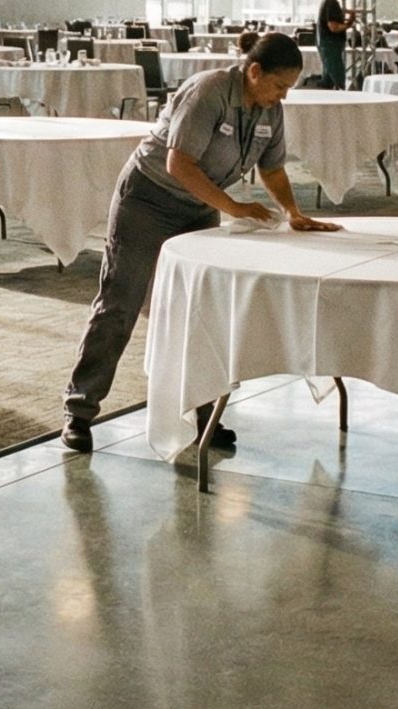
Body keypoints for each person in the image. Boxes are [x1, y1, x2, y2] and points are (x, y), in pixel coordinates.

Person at [61, 36, 339, 452]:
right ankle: (79, 411)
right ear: (255, 72)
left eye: (289, 89)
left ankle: (204, 416)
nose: (283, 96)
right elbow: (179, 163)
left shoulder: (271, 110)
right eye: (280, 85)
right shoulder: (208, 91)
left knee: (202, 310)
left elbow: (273, 169)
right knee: (120, 303)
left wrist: (292, 212)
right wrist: (234, 207)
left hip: (199, 205)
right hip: (148, 198)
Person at [317, 0, 351, 89]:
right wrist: (348, 24)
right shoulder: (331, 2)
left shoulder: (329, 1)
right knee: (337, 74)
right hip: (331, 44)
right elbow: (333, 27)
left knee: (329, 76)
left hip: (328, 43)